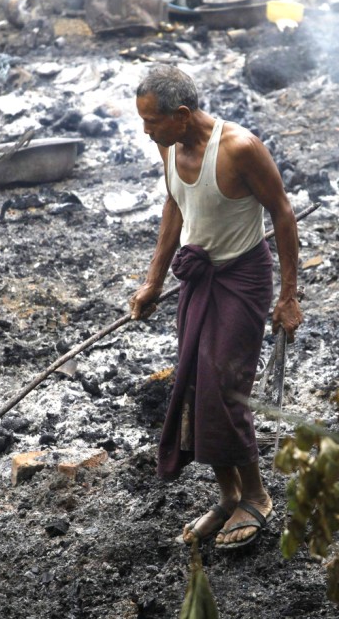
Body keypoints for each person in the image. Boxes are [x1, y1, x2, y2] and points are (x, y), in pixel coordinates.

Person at [129, 65, 303, 549]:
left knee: (226, 386)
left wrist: (289, 295)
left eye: (152, 122)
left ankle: (258, 497)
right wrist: (152, 282)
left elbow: (283, 214)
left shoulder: (239, 149)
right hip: (198, 279)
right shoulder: (169, 149)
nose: (146, 132)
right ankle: (229, 496)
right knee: (195, 385)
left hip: (242, 280)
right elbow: (175, 206)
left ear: (182, 116)